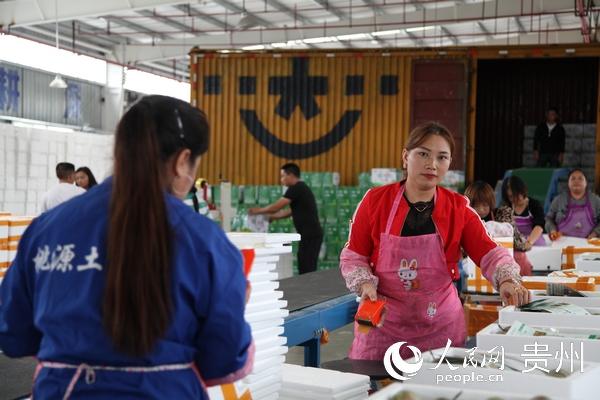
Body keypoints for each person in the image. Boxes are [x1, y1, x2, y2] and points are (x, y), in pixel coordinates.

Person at [0, 95, 254, 399]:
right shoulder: (204, 241)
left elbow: (13, 334)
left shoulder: (46, 230)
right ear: (182, 161)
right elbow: (223, 360)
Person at [339, 122, 529, 361]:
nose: (432, 164)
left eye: (442, 157)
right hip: (383, 326)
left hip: (440, 329)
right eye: (423, 154)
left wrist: (508, 280)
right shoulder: (375, 201)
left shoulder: (458, 208)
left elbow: (490, 253)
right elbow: (355, 255)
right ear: (405, 156)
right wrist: (365, 284)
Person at [249, 163, 323, 274]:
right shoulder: (300, 189)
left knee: (307, 267)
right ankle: (308, 288)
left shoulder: (296, 188)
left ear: (291, 175)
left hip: (310, 234)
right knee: (305, 265)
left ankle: (309, 290)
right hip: (310, 234)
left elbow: (277, 207)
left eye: (283, 176)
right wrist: (272, 217)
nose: (281, 180)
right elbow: (289, 212)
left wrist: (258, 211)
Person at [546, 169, 600, 239]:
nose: (576, 181)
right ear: (568, 183)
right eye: (573, 179)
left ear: (586, 183)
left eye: (580, 178)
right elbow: (549, 219)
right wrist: (552, 230)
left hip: (588, 243)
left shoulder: (596, 200)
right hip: (562, 242)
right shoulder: (558, 200)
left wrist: (595, 233)